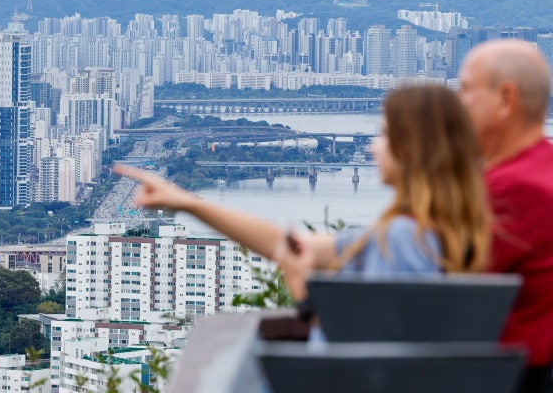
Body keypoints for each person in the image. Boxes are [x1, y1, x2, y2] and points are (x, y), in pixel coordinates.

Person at [114, 83, 490, 301]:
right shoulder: (433, 232)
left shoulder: (406, 240)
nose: (373, 146)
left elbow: (373, 346)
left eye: (386, 135)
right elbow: (289, 245)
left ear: (414, 149)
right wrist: (187, 202)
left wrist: (302, 287)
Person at [458, 39, 553, 393]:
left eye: (465, 90)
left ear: (505, 99)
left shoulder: (515, 189)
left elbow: (439, 273)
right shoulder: (539, 169)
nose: (457, 105)